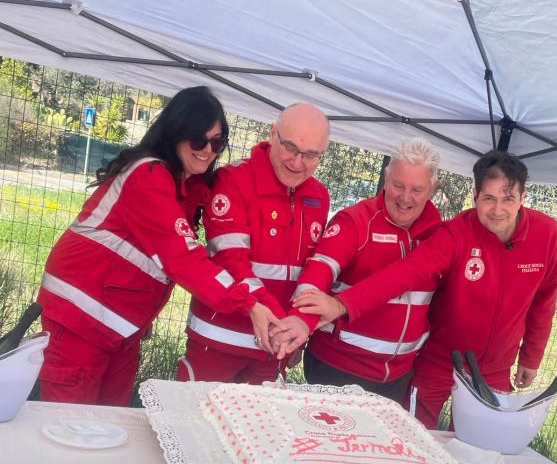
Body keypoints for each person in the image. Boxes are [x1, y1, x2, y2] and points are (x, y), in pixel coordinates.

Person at [37, 86, 281, 406]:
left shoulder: (182, 185)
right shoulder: (148, 175)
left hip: (117, 329)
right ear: (176, 134)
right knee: (68, 423)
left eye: (217, 142)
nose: (208, 150)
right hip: (80, 322)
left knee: (110, 422)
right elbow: (183, 258)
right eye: (198, 140)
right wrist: (249, 304)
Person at [286, 150, 557, 428]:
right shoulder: (454, 234)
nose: (498, 210)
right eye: (489, 198)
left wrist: (531, 357)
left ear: (523, 198)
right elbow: (404, 274)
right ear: (475, 195)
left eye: (508, 199)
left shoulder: (547, 234)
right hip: (439, 361)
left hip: (494, 368)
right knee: (414, 436)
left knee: (481, 445)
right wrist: (341, 305)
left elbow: (544, 300)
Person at [272, 138, 442, 403]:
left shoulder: (438, 235)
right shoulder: (356, 221)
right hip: (340, 369)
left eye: (416, 189)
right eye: (398, 185)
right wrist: (300, 321)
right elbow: (318, 272)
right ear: (386, 180)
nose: (405, 197)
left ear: (433, 189)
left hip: (398, 377)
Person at [176, 102, 330, 384]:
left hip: (273, 349)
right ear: (273, 134)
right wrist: (282, 323)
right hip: (220, 340)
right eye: (290, 148)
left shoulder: (319, 196)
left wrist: (296, 329)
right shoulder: (234, 179)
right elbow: (230, 260)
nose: (297, 162)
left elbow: (312, 274)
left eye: (310, 155)